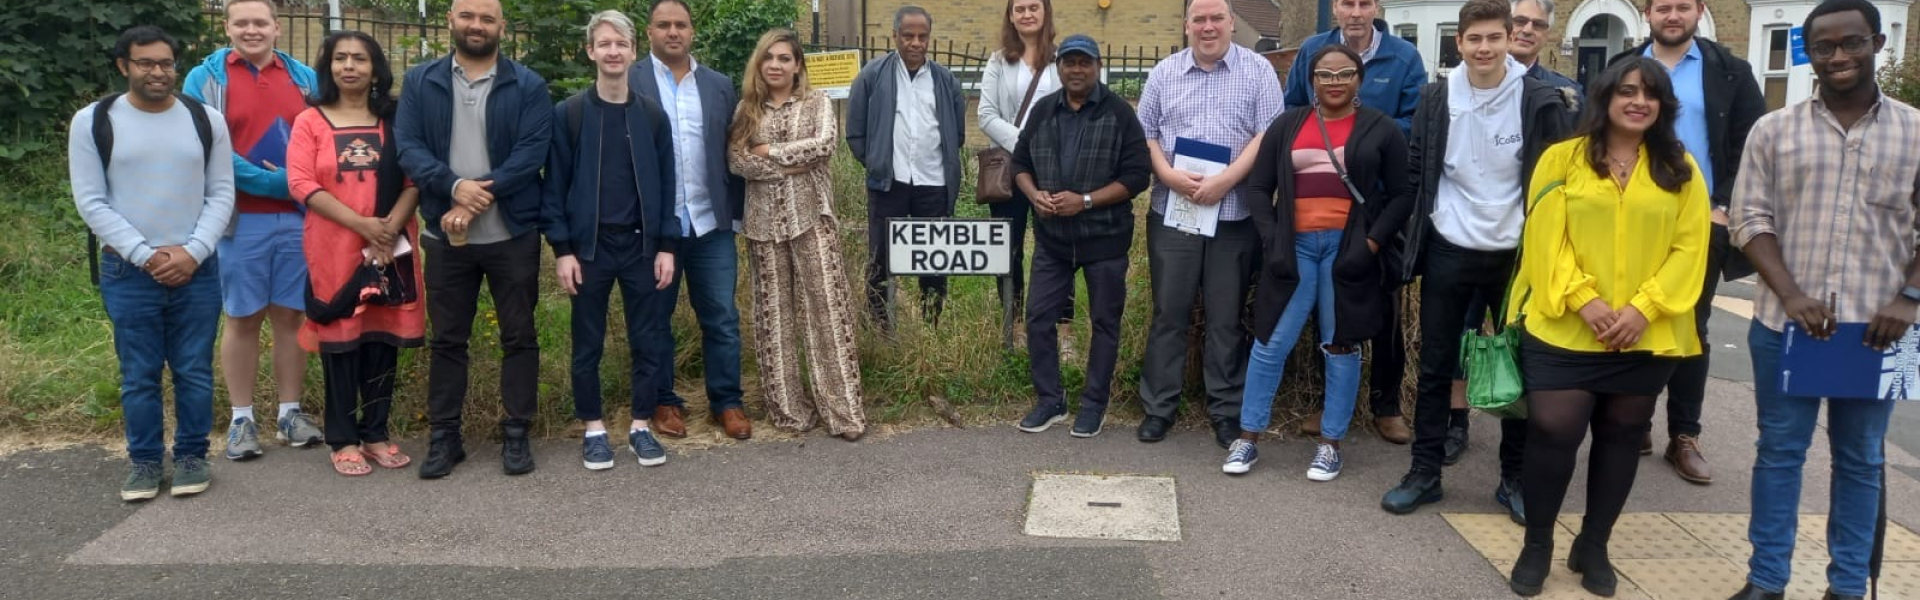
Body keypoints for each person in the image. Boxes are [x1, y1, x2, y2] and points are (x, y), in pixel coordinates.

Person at [1725, 2, 1920, 599]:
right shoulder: (1774, 130)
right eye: (1824, 47)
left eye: (1851, 43)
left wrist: (1910, 296)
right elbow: (1748, 218)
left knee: (1862, 460)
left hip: (1880, 331)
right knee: (1779, 454)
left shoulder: (1915, 130)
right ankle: (1767, 582)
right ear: (1809, 50)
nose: (1838, 57)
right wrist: (1790, 294)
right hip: (1783, 326)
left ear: (1877, 43)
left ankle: (1847, 588)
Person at [1504, 57, 1709, 597]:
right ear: (1605, 97)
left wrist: (1645, 307)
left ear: (1663, 105)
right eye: (1627, 91)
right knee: (1553, 429)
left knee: (1621, 435)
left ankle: (1593, 545)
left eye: (1650, 94)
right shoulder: (1562, 159)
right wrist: (1583, 299)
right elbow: (1546, 238)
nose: (1638, 102)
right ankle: (1538, 544)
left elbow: (1691, 247)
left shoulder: (1680, 167)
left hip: (1644, 332)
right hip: (1565, 323)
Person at [1382, 0, 1577, 522]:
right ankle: (1425, 472)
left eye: (1495, 37)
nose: (1485, 48)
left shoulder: (1539, 98)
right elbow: (1421, 166)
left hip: (1516, 253)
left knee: (1520, 367)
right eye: (1475, 39)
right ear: (1459, 44)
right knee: (1436, 364)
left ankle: (1514, 476)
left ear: (1510, 37)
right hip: (1450, 244)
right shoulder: (1436, 96)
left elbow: (1557, 178)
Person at [1229, 44, 1412, 480]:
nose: (1334, 82)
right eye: (1325, 75)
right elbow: (1258, 188)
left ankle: (1330, 444)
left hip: (1346, 251)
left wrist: (1369, 244)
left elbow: (1403, 195)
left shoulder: (1380, 128)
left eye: (1344, 74)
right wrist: (1274, 239)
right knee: (1270, 342)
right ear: (1312, 80)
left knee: (1340, 345)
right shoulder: (1288, 126)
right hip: (1295, 249)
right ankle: (1248, 437)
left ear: (1359, 80)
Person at [70, 25, 236, 500]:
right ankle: (143, 462)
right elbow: (92, 201)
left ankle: (190, 456)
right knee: (139, 373)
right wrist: (146, 255)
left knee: (194, 369)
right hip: (128, 270)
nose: (157, 72)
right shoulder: (93, 120)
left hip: (197, 268)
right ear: (124, 66)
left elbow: (221, 191)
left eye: (165, 63)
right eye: (145, 63)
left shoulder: (205, 119)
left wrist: (194, 251)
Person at [1607, 0, 1766, 485]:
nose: (1671, 16)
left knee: (1690, 327)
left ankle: (1684, 434)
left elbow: (1751, 144)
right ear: (1647, 14)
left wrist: (1724, 206)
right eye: (1661, 7)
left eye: (1681, 6)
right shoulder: (1624, 69)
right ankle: (1635, 423)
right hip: (1633, 219)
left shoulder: (1731, 71)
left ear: (1698, 10)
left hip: (1702, 221)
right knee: (1634, 313)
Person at [396, 0, 553, 479]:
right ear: (451, 20)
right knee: (447, 340)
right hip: (445, 238)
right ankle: (445, 438)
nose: (477, 25)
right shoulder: (420, 81)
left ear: (502, 26)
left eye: (487, 18)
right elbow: (408, 146)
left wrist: (473, 197)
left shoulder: (528, 85)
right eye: (468, 16)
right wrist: (452, 187)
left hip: (512, 233)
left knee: (520, 336)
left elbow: (530, 154)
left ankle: (516, 434)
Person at [1133, 0, 1283, 449]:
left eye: (1217, 18)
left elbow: (1267, 136)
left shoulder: (1258, 72)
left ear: (1232, 24)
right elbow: (1147, 135)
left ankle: (1225, 411)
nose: (1208, 26)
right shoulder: (1163, 73)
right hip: (1174, 212)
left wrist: (1227, 180)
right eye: (1199, 19)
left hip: (1233, 215)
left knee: (1225, 319)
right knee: (1169, 314)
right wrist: (1167, 174)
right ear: (1186, 27)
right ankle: (1159, 407)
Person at [181, 0, 324, 459]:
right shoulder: (205, 80)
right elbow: (203, 146)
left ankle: (289, 413)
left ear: (277, 28)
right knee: (242, 318)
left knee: (290, 316)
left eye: (260, 22)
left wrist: (297, 184)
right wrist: (273, 182)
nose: (251, 30)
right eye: (241, 22)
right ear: (227, 28)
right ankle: (242, 419)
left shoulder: (306, 79)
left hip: (300, 217)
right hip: (239, 218)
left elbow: (323, 135)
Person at [1282, 0, 1426, 445]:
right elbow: (1291, 113)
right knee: (1327, 309)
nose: (1356, 12)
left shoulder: (1404, 57)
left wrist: (1361, 132)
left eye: (1365, 3)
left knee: (1384, 306)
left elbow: (1415, 120)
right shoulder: (1312, 50)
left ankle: (1386, 406)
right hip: (1320, 201)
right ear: (1337, 9)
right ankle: (1329, 403)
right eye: (1347, 3)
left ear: (1377, 7)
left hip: (1377, 201)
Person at [542, 11, 681, 471]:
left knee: (649, 341)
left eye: (620, 44)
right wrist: (562, 250)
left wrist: (666, 246)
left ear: (633, 50)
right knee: (588, 344)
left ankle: (641, 426)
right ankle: (594, 429)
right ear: (591, 52)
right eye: (604, 44)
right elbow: (555, 187)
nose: (613, 52)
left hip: (642, 249)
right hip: (589, 251)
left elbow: (667, 185)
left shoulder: (652, 116)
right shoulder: (571, 115)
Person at [284, 31, 422, 477]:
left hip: (391, 245)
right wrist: (363, 226)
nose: (349, 66)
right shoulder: (311, 121)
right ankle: (343, 438)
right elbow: (302, 184)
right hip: (335, 247)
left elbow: (414, 180)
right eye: (340, 58)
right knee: (341, 339)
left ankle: (376, 433)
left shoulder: (396, 120)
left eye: (359, 59)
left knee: (382, 337)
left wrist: (389, 227)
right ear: (328, 67)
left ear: (375, 68)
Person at [729, 29, 867, 442]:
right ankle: (790, 412)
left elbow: (823, 146)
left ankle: (844, 413)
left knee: (827, 312)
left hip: (812, 218)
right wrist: (787, 167)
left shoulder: (817, 101)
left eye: (785, 58)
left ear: (797, 64)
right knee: (774, 318)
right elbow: (737, 161)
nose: (776, 65)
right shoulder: (746, 109)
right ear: (760, 63)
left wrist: (768, 152)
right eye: (769, 57)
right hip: (763, 225)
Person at [1010, 34, 1149, 437]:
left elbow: (1137, 176)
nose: (1076, 70)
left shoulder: (1119, 113)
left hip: (1105, 239)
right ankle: (1050, 400)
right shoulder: (1043, 110)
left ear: (1097, 67)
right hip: (1053, 240)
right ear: (1059, 67)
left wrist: (1085, 201)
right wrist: (1034, 194)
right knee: (1038, 317)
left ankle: (1094, 405)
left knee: (1104, 322)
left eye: (1084, 63)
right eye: (1069, 63)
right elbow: (1020, 162)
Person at [633, 0, 752, 441]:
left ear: (692, 31)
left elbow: (734, 151)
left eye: (680, 24)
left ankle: (727, 402)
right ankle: (663, 401)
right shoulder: (631, 80)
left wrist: (736, 215)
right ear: (649, 33)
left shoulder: (719, 85)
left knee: (721, 315)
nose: (673, 32)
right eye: (663, 25)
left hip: (711, 223)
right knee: (655, 317)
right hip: (655, 227)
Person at [847, 6, 967, 328]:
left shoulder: (945, 80)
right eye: (908, 35)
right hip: (889, 183)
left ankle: (931, 327)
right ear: (895, 36)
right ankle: (880, 329)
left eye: (922, 36)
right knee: (881, 258)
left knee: (933, 261)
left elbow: (957, 134)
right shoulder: (872, 75)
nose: (915, 42)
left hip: (933, 184)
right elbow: (855, 131)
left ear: (929, 38)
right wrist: (875, 163)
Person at [979, 0, 1071, 347]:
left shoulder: (1063, 59)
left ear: (1046, 12)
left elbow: (1075, 109)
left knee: (1059, 247)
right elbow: (986, 115)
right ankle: (1014, 324)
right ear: (1011, 15)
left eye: (1034, 6)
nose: (1027, 14)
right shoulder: (999, 61)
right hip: (1010, 168)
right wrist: (1029, 143)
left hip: (1057, 168)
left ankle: (1063, 329)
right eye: (1020, 8)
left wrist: (1048, 150)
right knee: (1009, 247)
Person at [1508, 0, 1579, 91]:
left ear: (1547, 35)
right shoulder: (1484, 83)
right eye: (1520, 21)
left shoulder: (1564, 92)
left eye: (1538, 24)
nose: (1527, 30)